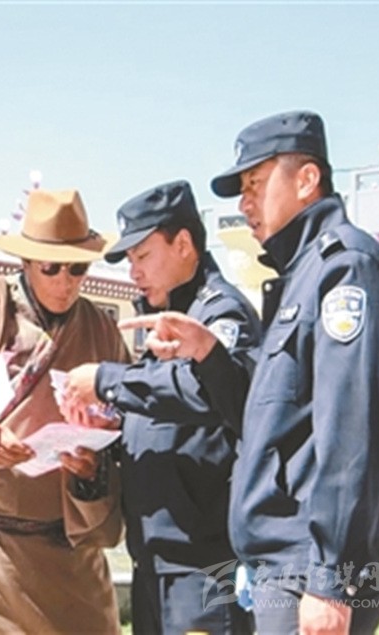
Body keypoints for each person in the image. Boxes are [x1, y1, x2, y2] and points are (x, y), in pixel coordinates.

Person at [124, 111, 379, 634]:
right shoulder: (302, 276)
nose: (244, 202)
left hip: (312, 569)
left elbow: (351, 432)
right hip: (288, 568)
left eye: (255, 183)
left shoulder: (345, 267)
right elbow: (274, 423)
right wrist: (209, 354)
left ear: (306, 179)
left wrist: (331, 580)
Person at [0, 188, 130, 634]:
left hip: (74, 552)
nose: (65, 282)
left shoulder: (102, 330)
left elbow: (128, 429)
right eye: (51, 267)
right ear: (26, 262)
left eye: (78, 268)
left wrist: (91, 465)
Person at [59, 180, 260, 634]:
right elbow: (164, 420)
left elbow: (204, 391)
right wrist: (101, 444)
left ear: (183, 244)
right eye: (129, 260)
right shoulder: (167, 321)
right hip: (155, 565)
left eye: (142, 256)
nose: (134, 272)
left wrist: (107, 381)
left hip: (205, 569)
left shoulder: (219, 314)